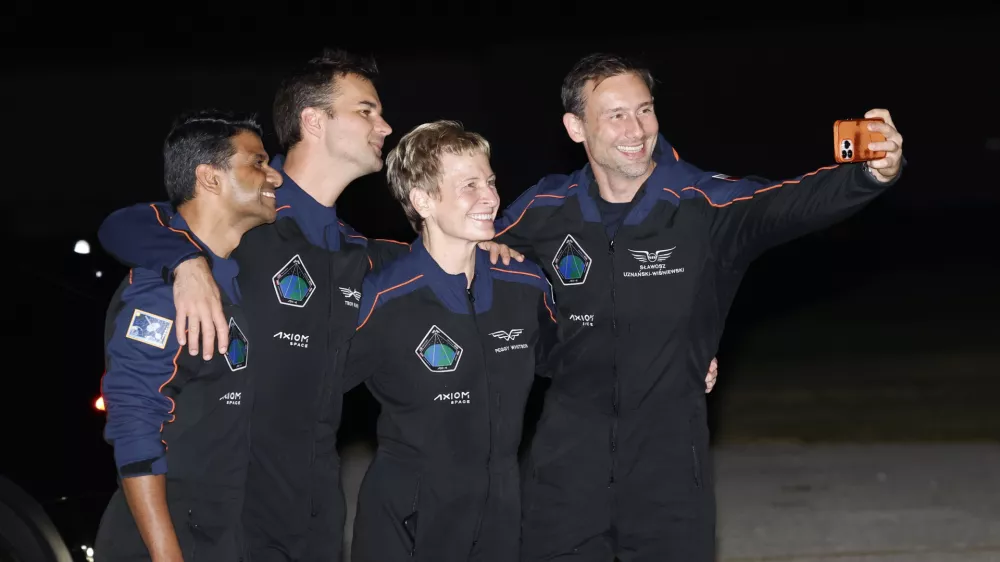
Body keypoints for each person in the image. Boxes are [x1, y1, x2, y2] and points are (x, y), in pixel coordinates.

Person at [94, 48, 519, 562]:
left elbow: (431, 260)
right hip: (221, 520)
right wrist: (184, 262)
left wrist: (480, 242)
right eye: (367, 111)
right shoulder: (244, 214)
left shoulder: (356, 253)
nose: (384, 125)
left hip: (312, 517)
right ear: (313, 121)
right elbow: (125, 222)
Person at [492, 52, 905, 561]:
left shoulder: (702, 204)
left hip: (668, 460)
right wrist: (488, 255)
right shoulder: (542, 209)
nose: (635, 128)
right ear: (576, 127)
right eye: (616, 114)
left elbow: (791, 201)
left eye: (644, 110)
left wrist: (872, 175)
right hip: (564, 459)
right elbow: (466, 261)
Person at [342, 121, 557, 562]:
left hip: (500, 510)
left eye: (491, 181)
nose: (491, 197)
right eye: (469, 185)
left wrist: (687, 361)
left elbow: (576, 361)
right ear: (422, 200)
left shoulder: (526, 284)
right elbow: (307, 394)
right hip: (408, 515)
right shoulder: (383, 298)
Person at [94, 110, 282, 561]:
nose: (273, 175)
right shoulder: (162, 293)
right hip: (163, 544)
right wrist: (167, 554)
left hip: (216, 535)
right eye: (257, 162)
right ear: (210, 178)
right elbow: (134, 423)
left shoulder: (228, 279)